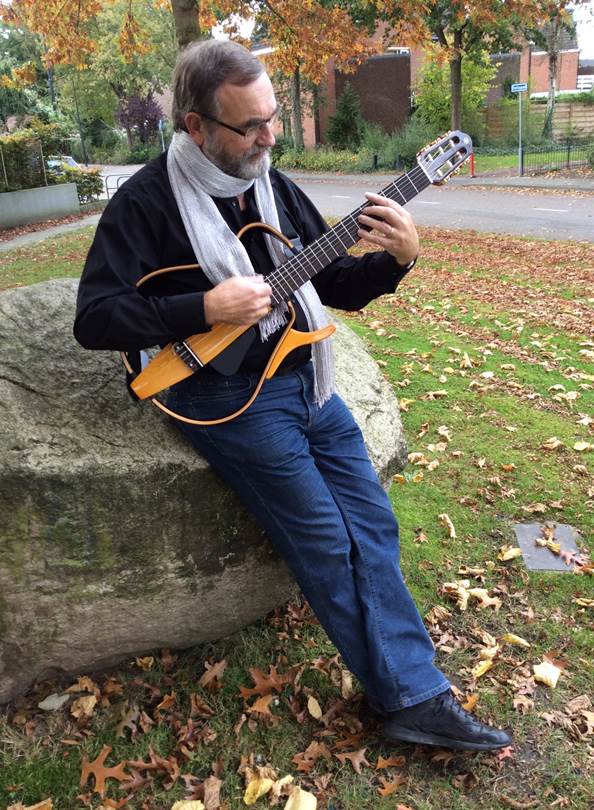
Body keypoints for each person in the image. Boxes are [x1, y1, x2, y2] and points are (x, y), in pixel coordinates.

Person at [74, 39, 512, 752]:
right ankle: (414, 700)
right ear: (195, 126)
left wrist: (397, 261)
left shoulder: (272, 185)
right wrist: (203, 307)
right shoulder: (146, 202)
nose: (269, 137)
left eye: (273, 117)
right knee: (325, 540)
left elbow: (331, 283)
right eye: (250, 126)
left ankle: (410, 690)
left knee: (373, 525)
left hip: (305, 376)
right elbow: (94, 319)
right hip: (221, 394)